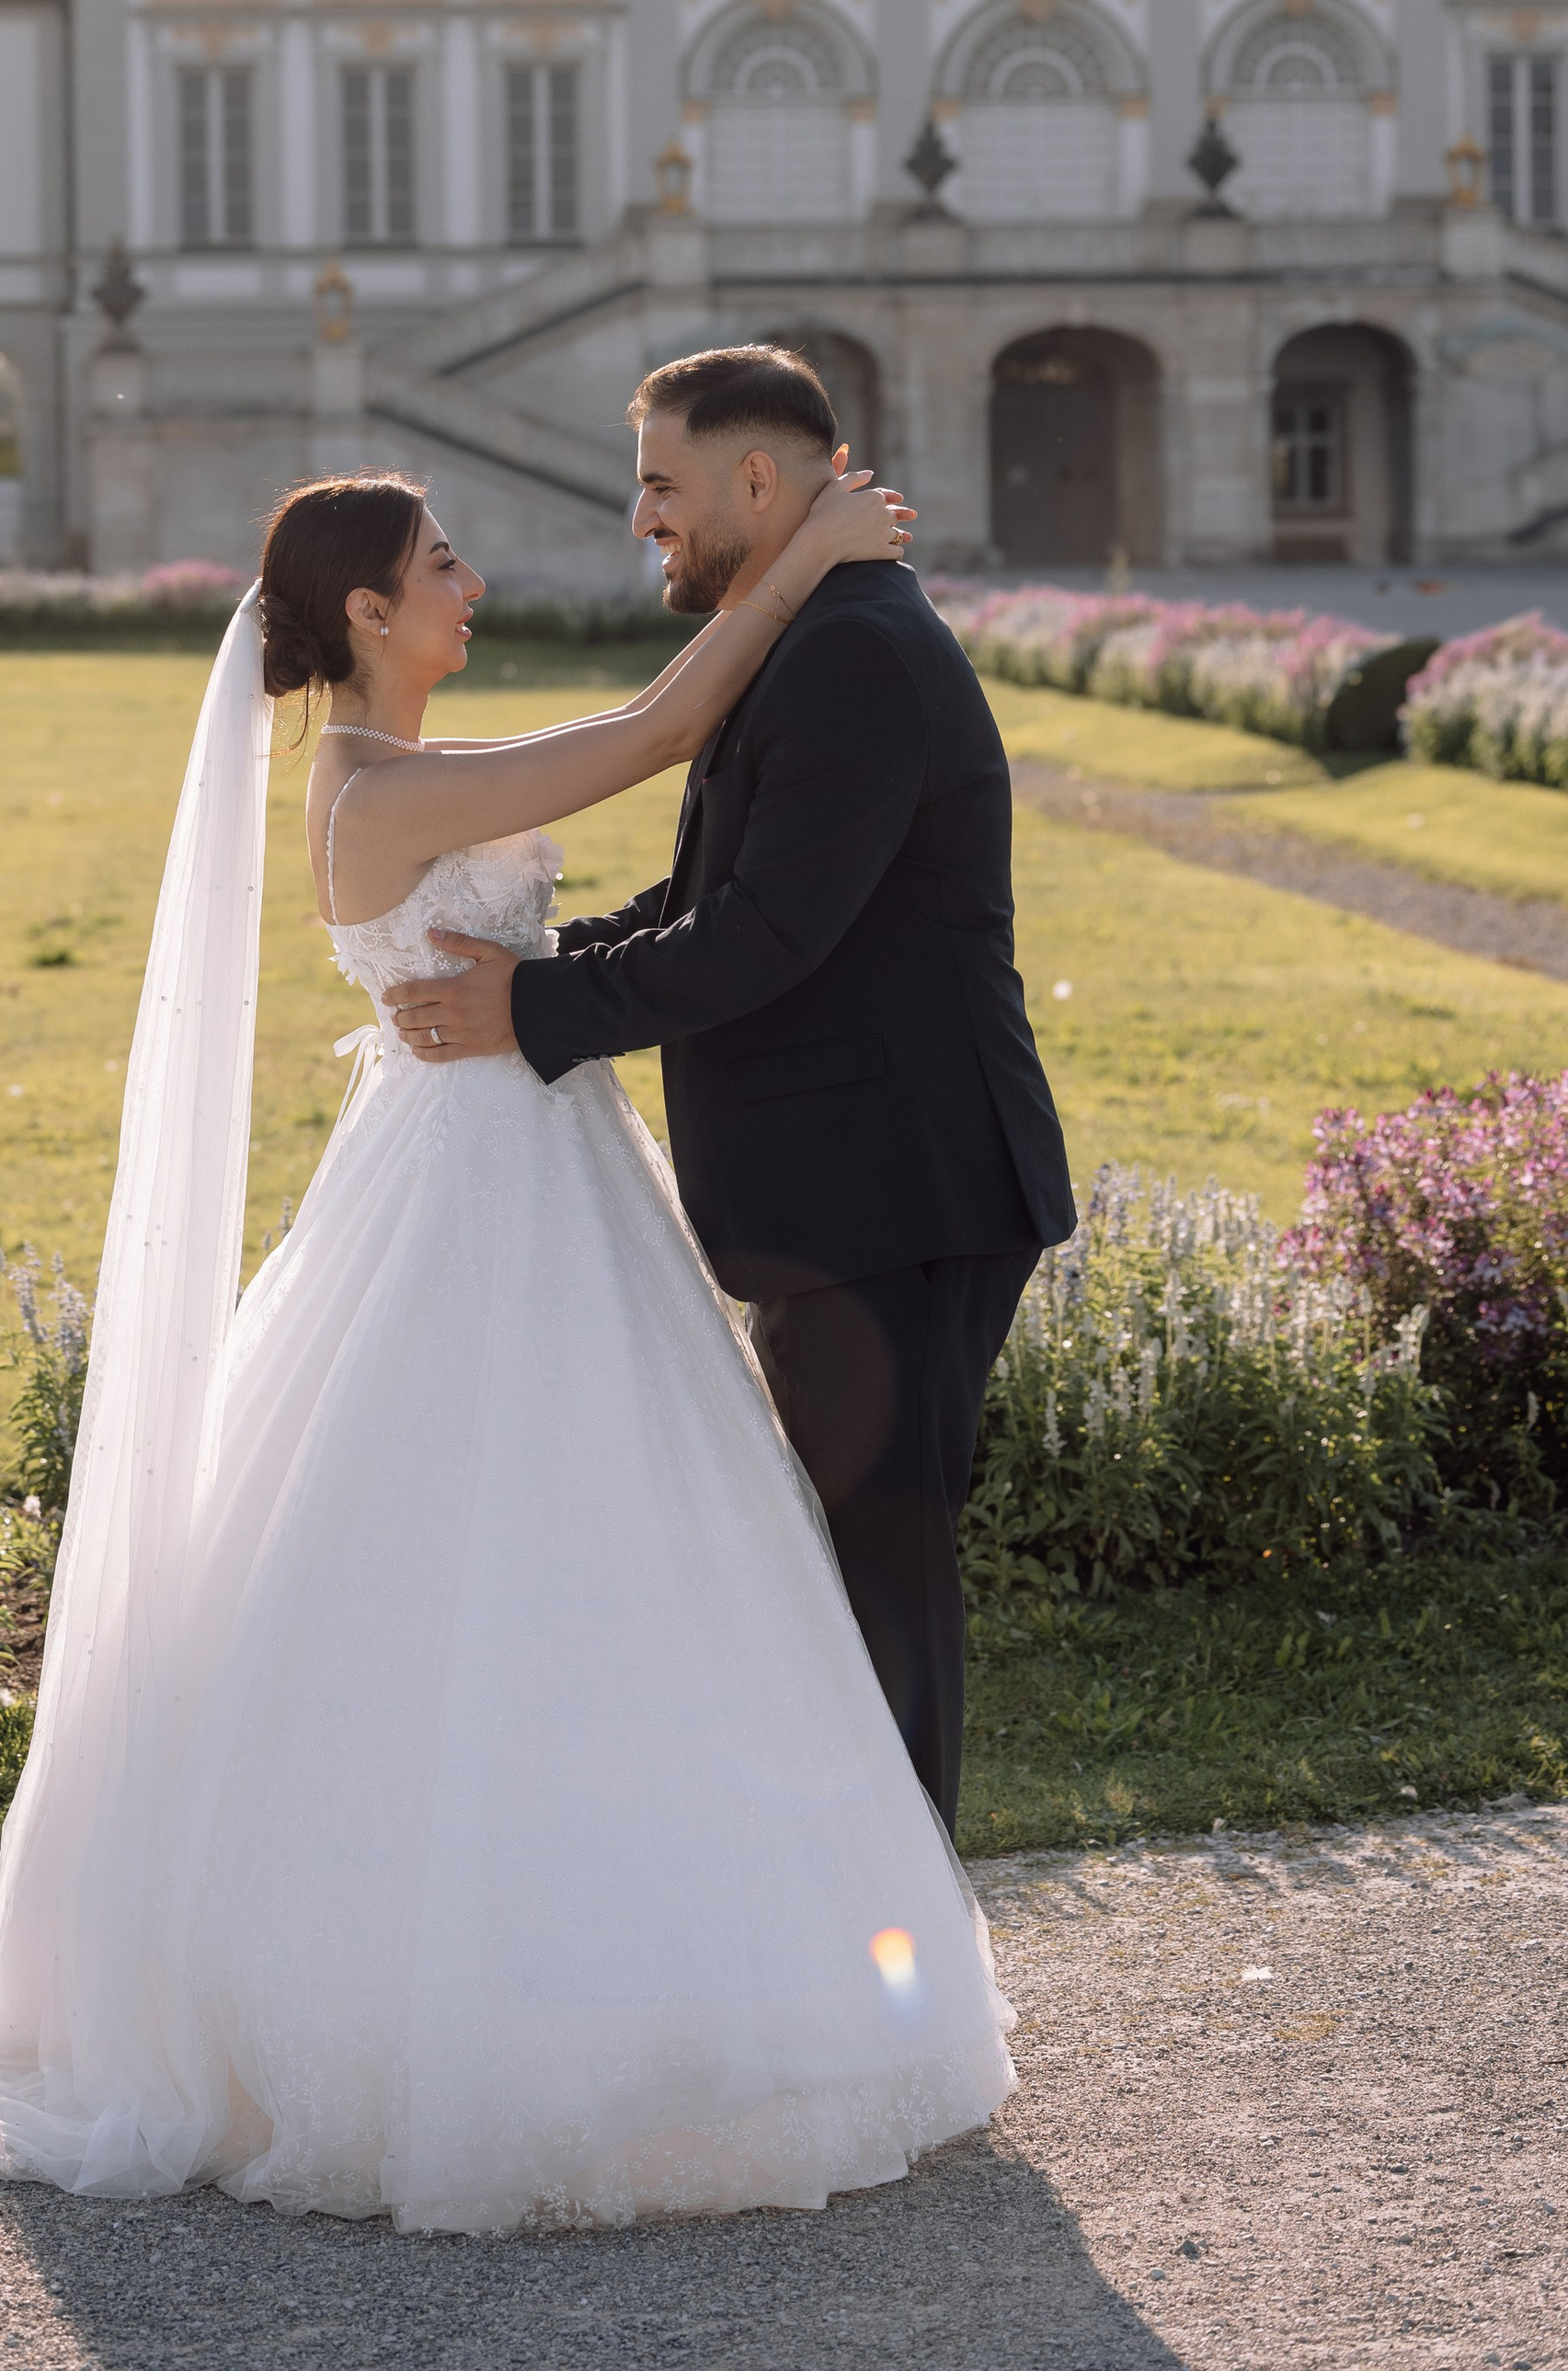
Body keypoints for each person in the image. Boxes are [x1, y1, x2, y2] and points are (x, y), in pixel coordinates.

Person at [0, 442, 1021, 2234]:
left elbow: (618, 795)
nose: (472, 581)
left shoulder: (402, 771)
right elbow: (648, 728)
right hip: (473, 1186)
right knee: (446, 1544)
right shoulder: (377, 787)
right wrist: (807, 560)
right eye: (442, 561)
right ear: (370, 613)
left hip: (519, 1156)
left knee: (603, 1546)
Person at [383, 344, 1074, 1829]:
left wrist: (540, 1005)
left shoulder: (857, 652)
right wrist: (546, 955)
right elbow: (712, 887)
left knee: (874, 1574)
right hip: (854, 1188)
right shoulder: (815, 632)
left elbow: (764, 936)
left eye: (660, 485)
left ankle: (904, 1959)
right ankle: (870, 1928)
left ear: (756, 481)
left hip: (899, 1187)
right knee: (831, 1573)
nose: (643, 518)